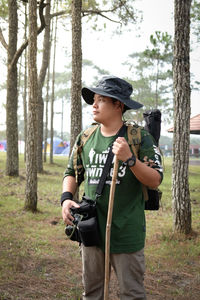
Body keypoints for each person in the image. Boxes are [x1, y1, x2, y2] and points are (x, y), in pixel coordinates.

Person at [61, 76, 163, 300]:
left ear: (119, 105)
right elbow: (72, 172)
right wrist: (67, 198)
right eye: (93, 100)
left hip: (127, 233)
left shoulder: (139, 138)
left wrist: (130, 159)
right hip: (91, 230)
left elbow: (155, 179)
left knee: (132, 294)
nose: (94, 105)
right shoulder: (86, 137)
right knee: (93, 293)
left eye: (101, 100)